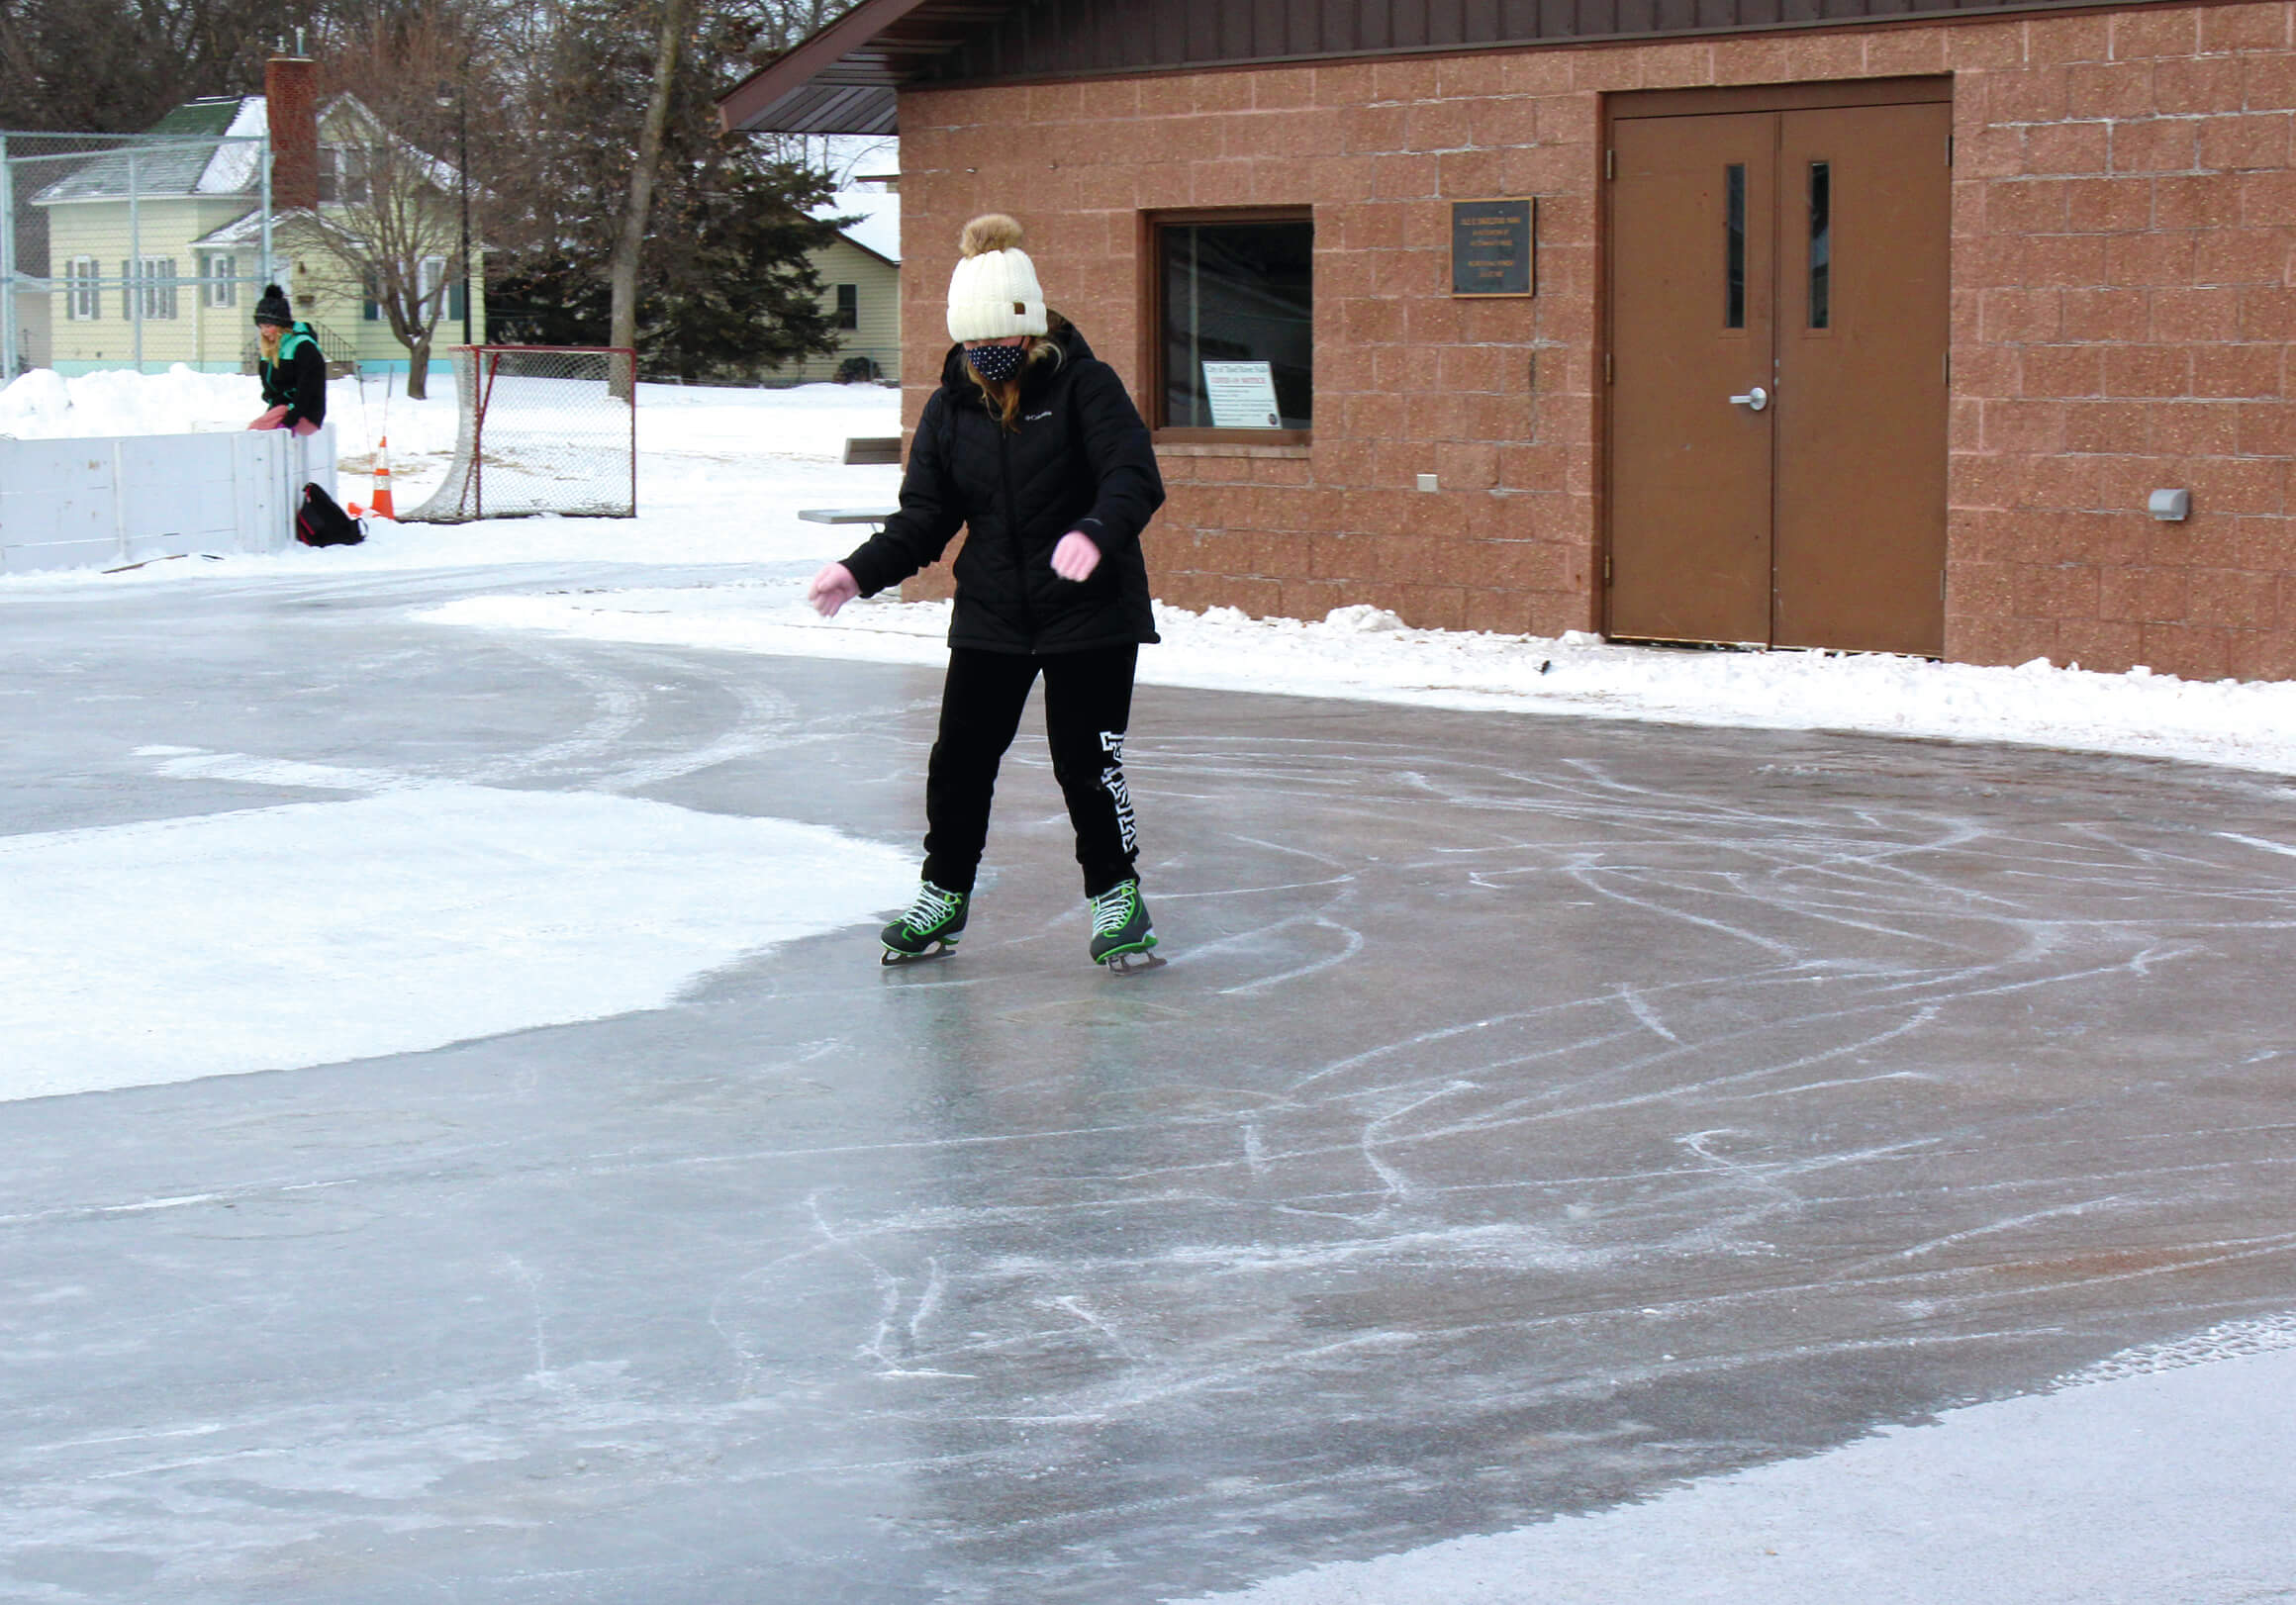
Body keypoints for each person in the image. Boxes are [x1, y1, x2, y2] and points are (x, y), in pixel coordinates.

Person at [808, 213, 1168, 973]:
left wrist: (1096, 532)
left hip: (1090, 611)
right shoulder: (949, 408)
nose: (984, 358)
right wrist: (858, 571)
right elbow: (926, 517)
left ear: (1029, 331)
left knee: (1086, 761)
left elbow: (1132, 476)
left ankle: (1117, 897)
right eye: (971, 346)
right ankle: (944, 892)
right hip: (994, 613)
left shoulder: (1085, 387)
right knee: (960, 759)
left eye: (996, 344)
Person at [245, 283, 326, 435]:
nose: (264, 332)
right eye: (261, 327)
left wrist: (289, 420)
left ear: (281, 324)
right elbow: (271, 391)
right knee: (255, 433)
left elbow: (308, 388)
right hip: (284, 411)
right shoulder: (270, 350)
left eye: (268, 326)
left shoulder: (302, 346)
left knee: (255, 434)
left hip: (304, 414)